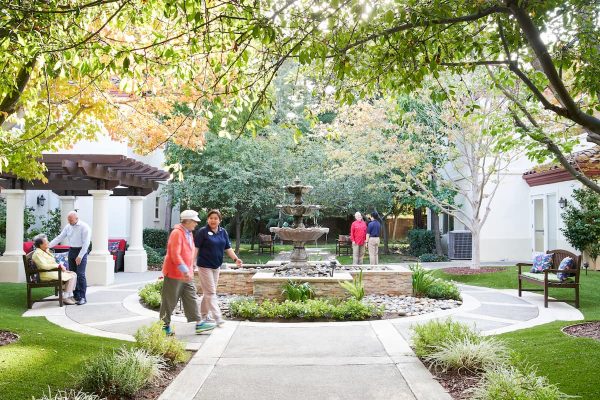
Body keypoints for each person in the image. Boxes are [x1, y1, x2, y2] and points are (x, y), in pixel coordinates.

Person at [194, 209, 242, 329]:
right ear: (207, 219)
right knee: (211, 292)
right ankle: (218, 318)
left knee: (208, 292)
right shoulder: (202, 232)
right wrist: (191, 262)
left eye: (216, 218)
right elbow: (196, 248)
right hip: (204, 265)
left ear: (220, 220)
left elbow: (228, 248)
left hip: (216, 266)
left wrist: (236, 259)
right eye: (211, 218)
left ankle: (203, 315)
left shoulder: (223, 232)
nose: (213, 220)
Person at [159, 210, 205, 335]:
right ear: (188, 221)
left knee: (191, 297)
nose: (196, 224)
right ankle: (163, 326)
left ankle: (199, 323)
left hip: (186, 274)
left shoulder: (188, 233)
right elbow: (175, 254)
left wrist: (191, 264)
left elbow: (188, 252)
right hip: (175, 273)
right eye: (194, 221)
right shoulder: (177, 233)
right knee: (170, 300)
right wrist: (184, 269)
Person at [49, 211, 91, 305]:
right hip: (72, 250)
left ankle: (82, 297)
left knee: (80, 275)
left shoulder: (84, 227)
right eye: (68, 220)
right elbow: (60, 237)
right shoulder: (68, 226)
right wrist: (48, 246)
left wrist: (80, 256)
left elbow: (86, 243)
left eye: (71, 220)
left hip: (81, 251)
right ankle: (76, 295)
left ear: (76, 218)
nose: (69, 222)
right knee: (73, 274)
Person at [32, 234, 78, 305]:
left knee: (73, 274)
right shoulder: (38, 253)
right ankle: (65, 297)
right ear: (40, 244)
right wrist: (58, 266)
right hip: (45, 274)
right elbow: (44, 266)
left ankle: (69, 295)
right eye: (46, 242)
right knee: (71, 277)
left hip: (51, 271)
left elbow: (51, 262)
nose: (48, 242)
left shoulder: (45, 250)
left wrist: (59, 267)